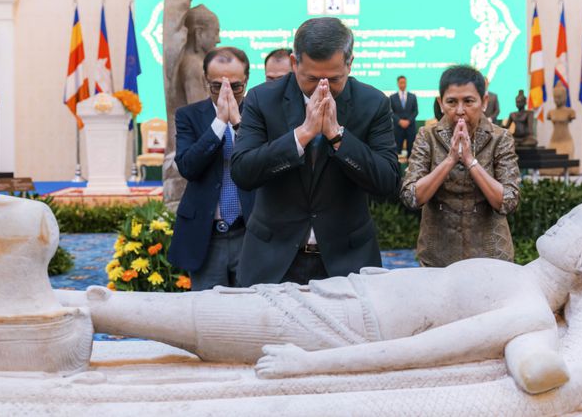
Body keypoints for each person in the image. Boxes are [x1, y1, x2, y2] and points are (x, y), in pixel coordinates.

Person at [54, 192, 582, 398]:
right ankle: (87, 311)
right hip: (352, 293)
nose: (563, 222)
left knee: (212, 319)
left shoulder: (527, 313)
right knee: (218, 313)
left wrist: (309, 366)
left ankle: (85, 314)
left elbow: (419, 355)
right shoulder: (518, 278)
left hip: (350, 329)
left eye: (579, 221)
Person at [231, 17, 399, 286]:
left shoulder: (373, 103)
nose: (323, 87)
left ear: (350, 63)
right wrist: (302, 135)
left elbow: (387, 182)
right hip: (271, 259)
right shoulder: (262, 99)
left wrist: (338, 136)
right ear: (294, 63)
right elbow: (243, 172)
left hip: (348, 261)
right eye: (311, 78)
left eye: (334, 79)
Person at [401, 65, 520, 266]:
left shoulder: (501, 138)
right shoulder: (427, 136)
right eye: (451, 102)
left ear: (484, 102)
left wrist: (470, 161)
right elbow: (411, 196)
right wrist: (449, 160)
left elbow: (508, 201)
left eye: (468, 101)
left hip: (490, 256)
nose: (460, 111)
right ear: (440, 103)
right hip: (438, 255)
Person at [168, 47, 255, 290]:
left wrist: (237, 125)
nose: (226, 92)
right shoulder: (189, 115)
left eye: (235, 86)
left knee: (253, 312)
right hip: (207, 235)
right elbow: (187, 167)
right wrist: (219, 123)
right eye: (217, 85)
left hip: (249, 231)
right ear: (206, 81)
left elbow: (263, 162)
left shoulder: (259, 115)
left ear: (246, 81)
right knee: (208, 314)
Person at [389, 75, 418, 156]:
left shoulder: (412, 96)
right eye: (401, 83)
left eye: (404, 83)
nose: (403, 84)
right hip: (398, 129)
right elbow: (391, 112)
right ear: (398, 84)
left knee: (412, 152)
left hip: (410, 128)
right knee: (396, 152)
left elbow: (415, 111)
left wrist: (408, 121)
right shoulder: (392, 97)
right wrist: (399, 121)